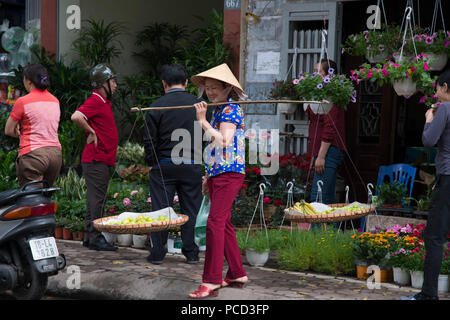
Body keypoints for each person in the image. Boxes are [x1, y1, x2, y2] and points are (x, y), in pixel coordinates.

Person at [188, 63, 248, 299]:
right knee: (223, 223)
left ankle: (211, 280)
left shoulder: (231, 109)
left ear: (227, 88)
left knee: (215, 222)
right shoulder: (219, 110)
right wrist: (208, 175)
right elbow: (214, 147)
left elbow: (224, 140)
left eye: (215, 88)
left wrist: (202, 121)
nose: (210, 92)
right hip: (218, 173)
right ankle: (236, 272)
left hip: (229, 173)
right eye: (208, 88)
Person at [143, 63, 207, 265]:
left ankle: (158, 252)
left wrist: (151, 163)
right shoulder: (200, 105)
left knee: (161, 209)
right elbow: (206, 135)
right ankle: (191, 252)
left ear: (164, 84)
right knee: (191, 209)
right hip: (191, 165)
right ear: (186, 83)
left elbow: (149, 141)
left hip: (164, 165)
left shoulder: (155, 107)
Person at [402, 69, 450, 300]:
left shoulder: (445, 109)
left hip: (448, 178)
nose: (436, 92)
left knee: (434, 237)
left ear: (446, 87)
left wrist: (428, 121)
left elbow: (429, 140)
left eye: (438, 88)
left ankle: (428, 295)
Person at [71, 64, 119, 251]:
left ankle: (89, 236)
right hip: (96, 159)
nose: (115, 85)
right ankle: (95, 237)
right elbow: (76, 116)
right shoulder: (96, 100)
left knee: (95, 198)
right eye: (113, 81)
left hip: (98, 159)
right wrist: (90, 130)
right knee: (97, 199)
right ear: (103, 84)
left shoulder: (102, 101)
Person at [5, 63, 62, 187]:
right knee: (45, 200)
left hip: (34, 156)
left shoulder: (23, 101)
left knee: (32, 201)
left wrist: (19, 132)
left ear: (29, 82)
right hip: (55, 155)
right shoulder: (55, 101)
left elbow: (8, 130)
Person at [306, 59, 346, 205]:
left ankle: (316, 229)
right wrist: (314, 155)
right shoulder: (319, 93)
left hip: (329, 150)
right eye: (314, 71)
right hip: (321, 150)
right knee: (327, 197)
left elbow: (329, 128)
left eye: (318, 72)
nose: (314, 74)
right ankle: (331, 228)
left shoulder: (331, 95)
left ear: (328, 75)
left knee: (318, 196)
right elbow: (314, 124)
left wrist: (321, 156)